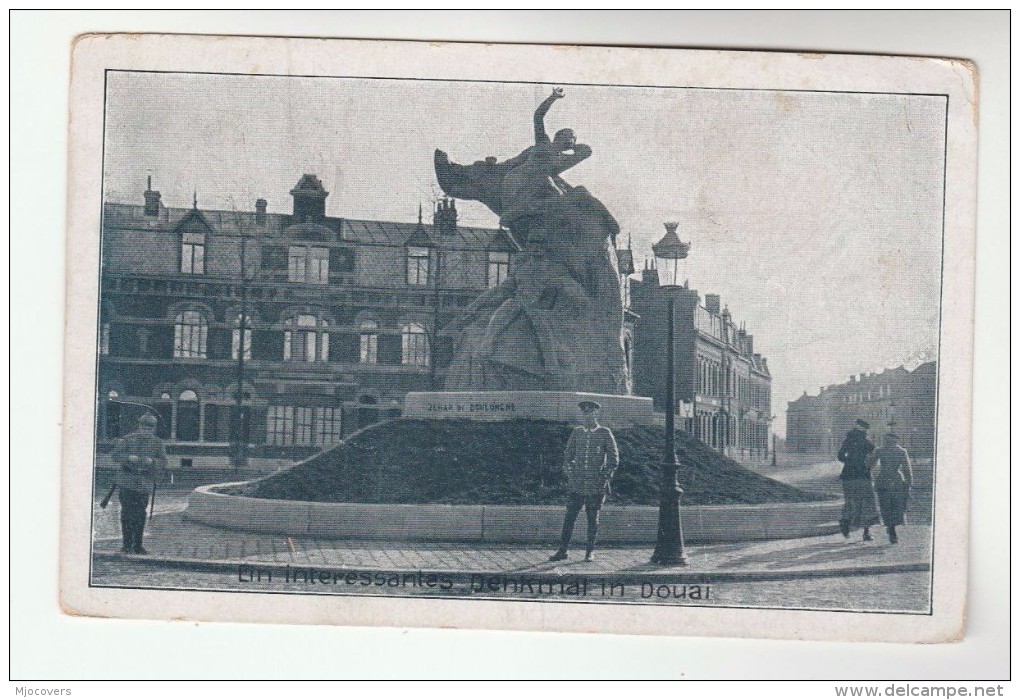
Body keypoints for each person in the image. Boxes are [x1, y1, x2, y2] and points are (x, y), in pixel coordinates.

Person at [549, 401, 620, 562]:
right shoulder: (577, 433)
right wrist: (568, 469)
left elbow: (614, 458)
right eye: (584, 414)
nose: (587, 416)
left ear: (596, 414)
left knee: (592, 518)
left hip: (595, 484)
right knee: (569, 518)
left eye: (590, 413)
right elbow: (568, 454)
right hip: (577, 484)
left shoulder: (604, 433)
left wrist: (607, 474)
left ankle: (589, 551)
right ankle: (563, 550)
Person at [110, 412, 170, 554]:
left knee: (140, 514)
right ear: (139, 426)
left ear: (154, 429)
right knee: (126, 513)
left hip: (144, 483)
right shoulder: (127, 440)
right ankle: (126, 545)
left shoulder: (158, 443)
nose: (146, 431)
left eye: (150, 428)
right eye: (144, 427)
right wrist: (128, 458)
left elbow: (164, 462)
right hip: (127, 481)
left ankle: (137, 545)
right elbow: (115, 456)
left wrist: (153, 462)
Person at [836, 418, 880, 542]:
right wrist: (864, 465)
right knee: (867, 503)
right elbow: (873, 461)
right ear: (865, 429)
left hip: (848, 476)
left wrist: (849, 462)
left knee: (850, 501)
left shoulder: (848, 440)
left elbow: (840, 456)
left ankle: (845, 523)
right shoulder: (869, 443)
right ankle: (866, 533)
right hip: (863, 476)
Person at [868, 433, 913, 544]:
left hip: (883, 481)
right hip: (897, 481)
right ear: (896, 441)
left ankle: (891, 528)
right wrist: (909, 483)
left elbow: (869, 465)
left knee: (885, 507)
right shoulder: (902, 451)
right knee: (896, 506)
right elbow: (907, 469)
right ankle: (892, 531)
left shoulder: (880, 451)